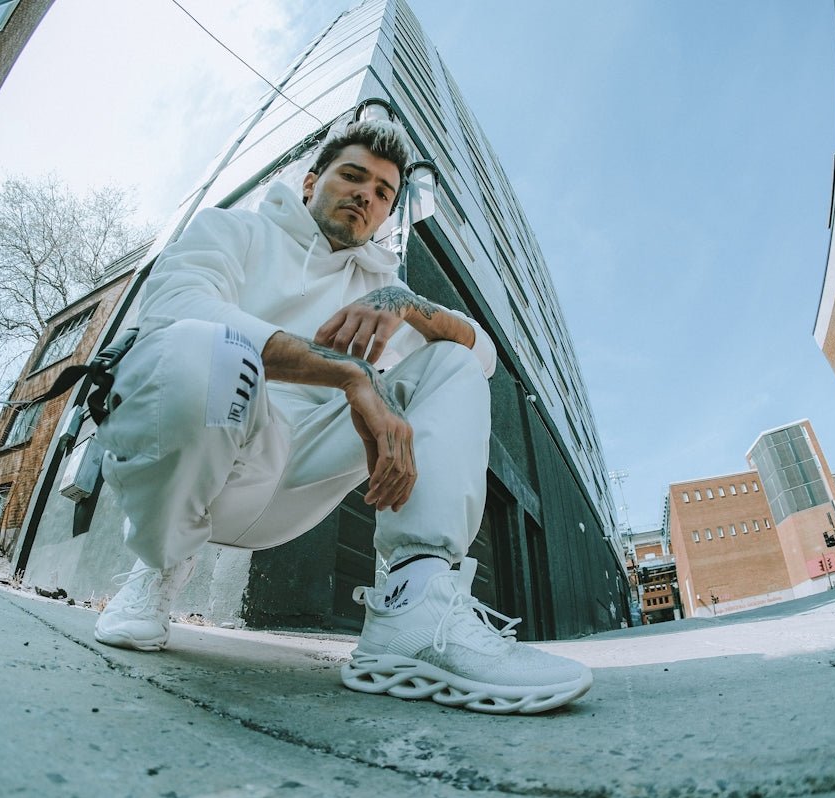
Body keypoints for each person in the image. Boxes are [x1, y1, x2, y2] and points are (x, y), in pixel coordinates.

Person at [92, 118, 592, 714]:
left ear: (386, 215)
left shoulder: (377, 289)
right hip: (213, 456)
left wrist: (406, 303)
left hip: (300, 482)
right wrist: (349, 374)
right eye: (352, 176)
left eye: (383, 192)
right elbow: (174, 308)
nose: (366, 195)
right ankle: (158, 567)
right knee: (204, 346)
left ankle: (413, 604)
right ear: (310, 183)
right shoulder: (235, 231)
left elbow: (479, 357)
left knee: (448, 367)